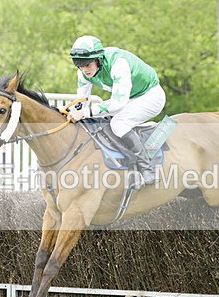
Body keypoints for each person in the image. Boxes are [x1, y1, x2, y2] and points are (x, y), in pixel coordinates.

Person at [67, 35, 166, 187]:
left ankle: (147, 170)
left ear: (98, 59)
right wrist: (70, 111)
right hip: (131, 98)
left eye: (87, 65)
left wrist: (86, 113)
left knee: (119, 123)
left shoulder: (118, 64)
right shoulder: (82, 72)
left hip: (151, 96)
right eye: (79, 65)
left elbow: (118, 103)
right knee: (102, 122)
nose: (84, 69)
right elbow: (81, 102)